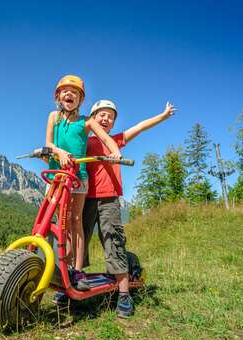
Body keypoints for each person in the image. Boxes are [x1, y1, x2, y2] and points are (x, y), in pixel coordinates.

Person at [83, 99, 176, 318]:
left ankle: (124, 294)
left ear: (113, 123)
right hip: (84, 197)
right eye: (101, 115)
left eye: (110, 117)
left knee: (113, 239)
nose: (105, 119)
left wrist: (162, 116)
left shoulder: (115, 140)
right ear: (92, 118)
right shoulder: (83, 141)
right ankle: (71, 283)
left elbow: (141, 127)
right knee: (78, 239)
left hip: (109, 198)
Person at [45, 76, 122, 292]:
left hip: (78, 177)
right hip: (56, 177)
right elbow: (49, 143)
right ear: (58, 96)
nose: (70, 95)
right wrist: (58, 151)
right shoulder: (54, 117)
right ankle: (58, 263)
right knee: (55, 219)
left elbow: (106, 139)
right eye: (65, 91)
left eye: (75, 93)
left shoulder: (87, 121)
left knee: (75, 220)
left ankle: (76, 269)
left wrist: (115, 152)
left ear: (80, 100)